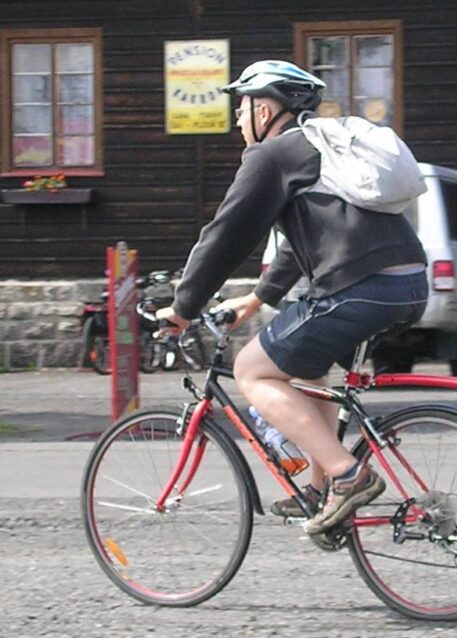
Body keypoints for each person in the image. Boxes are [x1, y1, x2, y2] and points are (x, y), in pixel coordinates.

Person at [157, 60, 428, 534]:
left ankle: (347, 477)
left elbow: (228, 233)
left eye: (241, 109)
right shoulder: (321, 150)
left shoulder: (273, 156)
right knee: (307, 372)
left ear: (264, 110)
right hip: (406, 285)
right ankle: (322, 490)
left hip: (358, 290)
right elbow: (306, 242)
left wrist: (184, 307)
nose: (238, 120)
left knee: (251, 370)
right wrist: (258, 299)